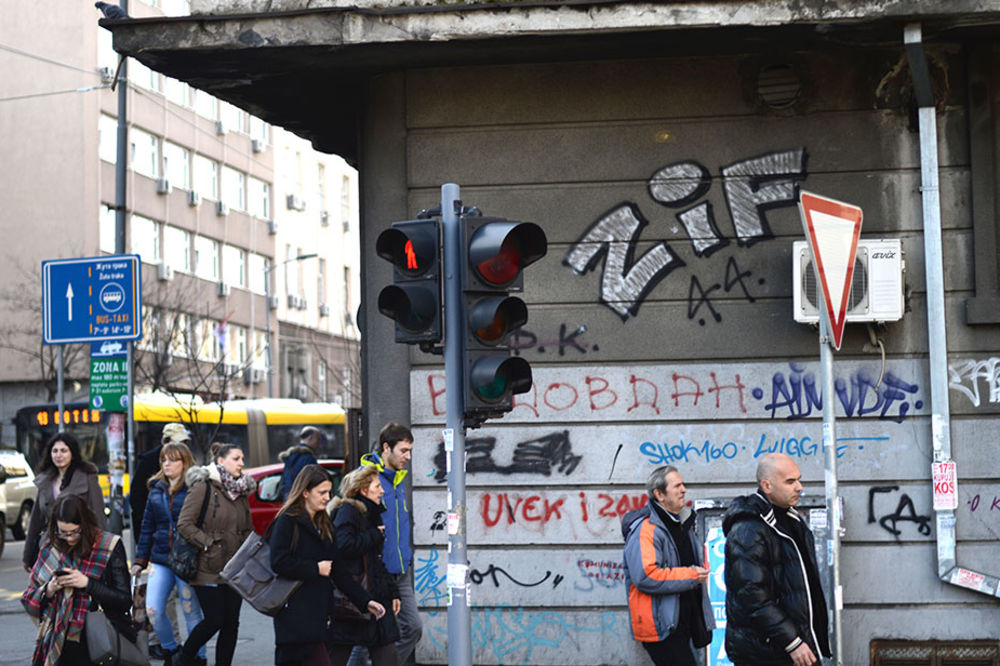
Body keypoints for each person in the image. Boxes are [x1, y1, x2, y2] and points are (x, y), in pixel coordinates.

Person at [269, 464, 385, 666]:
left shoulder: (323, 523)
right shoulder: (288, 521)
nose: (327, 497)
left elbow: (338, 570)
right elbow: (278, 561)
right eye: (321, 492)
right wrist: (316, 568)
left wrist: (365, 601)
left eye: (329, 492)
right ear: (305, 492)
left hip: (319, 615)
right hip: (294, 615)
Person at [723, 453, 831, 666]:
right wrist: (792, 641)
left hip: (793, 645)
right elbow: (752, 595)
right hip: (767, 652)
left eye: (799, 479)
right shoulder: (749, 529)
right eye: (790, 481)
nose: (799, 487)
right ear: (767, 486)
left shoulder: (792, 521)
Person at [22, 494, 133, 666]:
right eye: (63, 533)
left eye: (75, 532)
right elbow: (30, 597)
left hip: (98, 638)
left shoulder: (108, 545)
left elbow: (125, 600)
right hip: (60, 639)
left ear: (85, 525)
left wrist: (88, 584)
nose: (69, 538)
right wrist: (49, 589)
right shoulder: (50, 549)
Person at [173, 442, 256, 666]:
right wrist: (208, 544)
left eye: (242, 459)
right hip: (207, 566)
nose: (242, 463)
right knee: (215, 619)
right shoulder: (203, 487)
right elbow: (184, 523)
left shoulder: (240, 491)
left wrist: (249, 550)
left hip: (234, 568)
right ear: (221, 461)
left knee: (231, 622)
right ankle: (182, 658)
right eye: (236, 458)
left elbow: (246, 527)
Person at [621, 466, 714, 666]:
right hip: (662, 626)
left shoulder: (682, 523)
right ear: (659, 494)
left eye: (683, 485)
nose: (684, 490)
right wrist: (691, 575)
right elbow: (646, 576)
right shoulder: (646, 529)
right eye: (677, 486)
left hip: (683, 621)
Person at [131, 441, 206, 666]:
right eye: (164, 459)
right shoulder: (155, 489)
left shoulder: (195, 488)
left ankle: (198, 657)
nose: (167, 464)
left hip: (186, 561)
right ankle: (172, 651)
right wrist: (139, 560)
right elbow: (147, 527)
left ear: (185, 463)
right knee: (153, 609)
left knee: (190, 612)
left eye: (173, 459)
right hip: (161, 559)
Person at [358, 423, 421, 666]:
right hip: (376, 572)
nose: (408, 457)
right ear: (387, 447)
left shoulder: (397, 480)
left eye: (410, 451)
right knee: (367, 640)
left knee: (413, 629)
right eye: (404, 450)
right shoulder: (369, 481)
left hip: (400, 571)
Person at [328, 466, 401, 666]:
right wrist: (374, 534)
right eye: (377, 486)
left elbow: (376, 559)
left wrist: (393, 591)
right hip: (353, 598)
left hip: (375, 596)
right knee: (337, 656)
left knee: (387, 655)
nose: (382, 491)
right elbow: (344, 546)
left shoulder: (371, 513)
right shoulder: (348, 511)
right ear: (363, 489)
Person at [24, 432, 107, 572]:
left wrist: (103, 551)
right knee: (50, 589)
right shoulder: (44, 480)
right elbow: (35, 521)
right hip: (50, 548)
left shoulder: (87, 476)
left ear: (72, 453)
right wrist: (27, 556)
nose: (59, 455)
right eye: (55, 451)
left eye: (64, 450)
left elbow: (99, 515)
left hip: (79, 547)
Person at [130, 422, 191, 546]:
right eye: (177, 442)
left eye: (183, 443)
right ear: (164, 442)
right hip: (155, 536)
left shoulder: (189, 465)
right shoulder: (148, 462)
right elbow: (136, 498)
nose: (180, 447)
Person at [279, 426, 327, 500]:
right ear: (310, 438)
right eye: (318, 439)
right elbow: (313, 481)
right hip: (303, 499)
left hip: (289, 498)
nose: (319, 443)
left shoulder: (290, 456)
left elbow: (284, 482)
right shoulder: (309, 458)